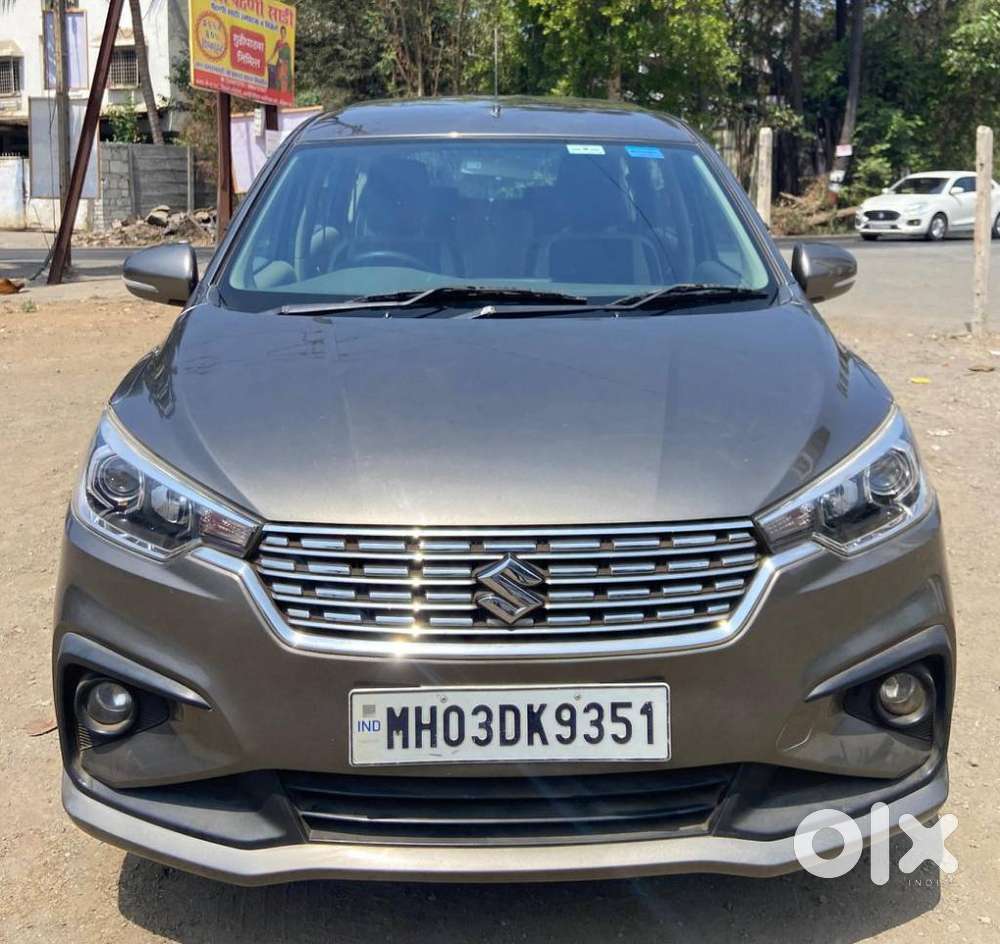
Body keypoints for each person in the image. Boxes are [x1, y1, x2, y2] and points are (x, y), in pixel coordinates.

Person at [270, 25, 292, 94]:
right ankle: (276, 97)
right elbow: (273, 53)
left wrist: (284, 62)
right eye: (281, 32)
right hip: (279, 65)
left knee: (283, 83)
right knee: (277, 81)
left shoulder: (287, 45)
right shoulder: (278, 42)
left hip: (285, 66)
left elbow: (289, 58)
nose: (282, 34)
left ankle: (282, 97)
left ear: (285, 33)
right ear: (280, 33)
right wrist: (268, 60)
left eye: (284, 32)